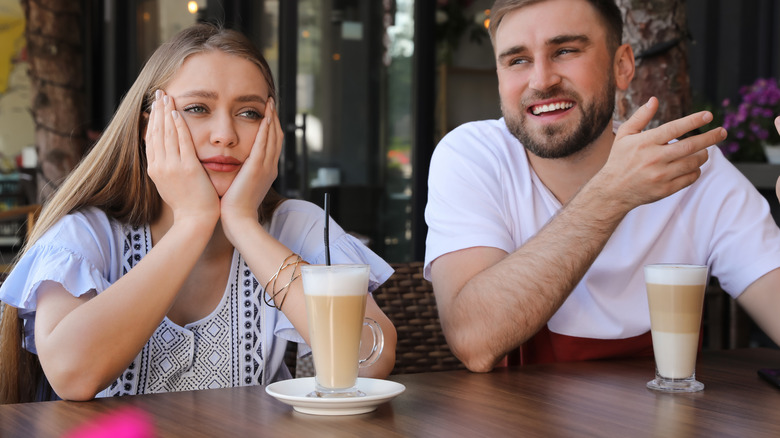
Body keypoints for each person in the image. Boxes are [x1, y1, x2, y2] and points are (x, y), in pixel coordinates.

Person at [0, 23, 396, 403]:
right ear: (147, 126)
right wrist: (193, 223)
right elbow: (73, 375)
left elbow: (369, 362)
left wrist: (243, 224)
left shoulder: (298, 226)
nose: (225, 133)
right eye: (197, 108)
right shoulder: (88, 235)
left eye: (249, 113)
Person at [424, 0, 780, 373]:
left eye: (565, 51)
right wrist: (610, 196)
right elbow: (474, 342)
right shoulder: (473, 156)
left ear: (621, 66)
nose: (541, 80)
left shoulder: (691, 170)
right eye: (517, 60)